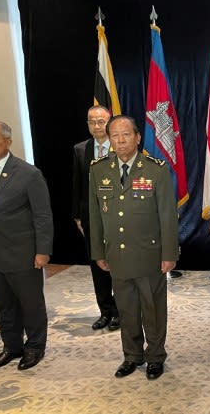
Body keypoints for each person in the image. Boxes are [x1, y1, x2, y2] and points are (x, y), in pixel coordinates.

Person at [88, 115, 178, 381]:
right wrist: (98, 252)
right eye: (114, 135)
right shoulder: (98, 169)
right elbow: (95, 215)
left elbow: (167, 216)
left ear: (138, 137)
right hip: (117, 254)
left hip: (149, 254)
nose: (120, 140)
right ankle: (132, 356)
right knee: (126, 310)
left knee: (152, 309)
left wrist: (169, 254)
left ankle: (155, 356)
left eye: (126, 134)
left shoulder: (155, 169)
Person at [0, 120, 53, 370]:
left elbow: (43, 215)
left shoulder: (28, 174)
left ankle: (35, 347)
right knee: (3, 305)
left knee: (30, 303)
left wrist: (43, 250)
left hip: (22, 253)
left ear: (8, 142)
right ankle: (11, 347)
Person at [72, 105, 119, 331]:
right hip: (91, 216)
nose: (97, 125)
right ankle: (105, 311)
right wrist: (77, 215)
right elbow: (77, 184)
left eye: (101, 121)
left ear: (109, 122)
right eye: (92, 121)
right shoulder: (81, 149)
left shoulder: (121, 146)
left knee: (118, 264)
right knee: (96, 264)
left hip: (118, 216)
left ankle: (120, 311)